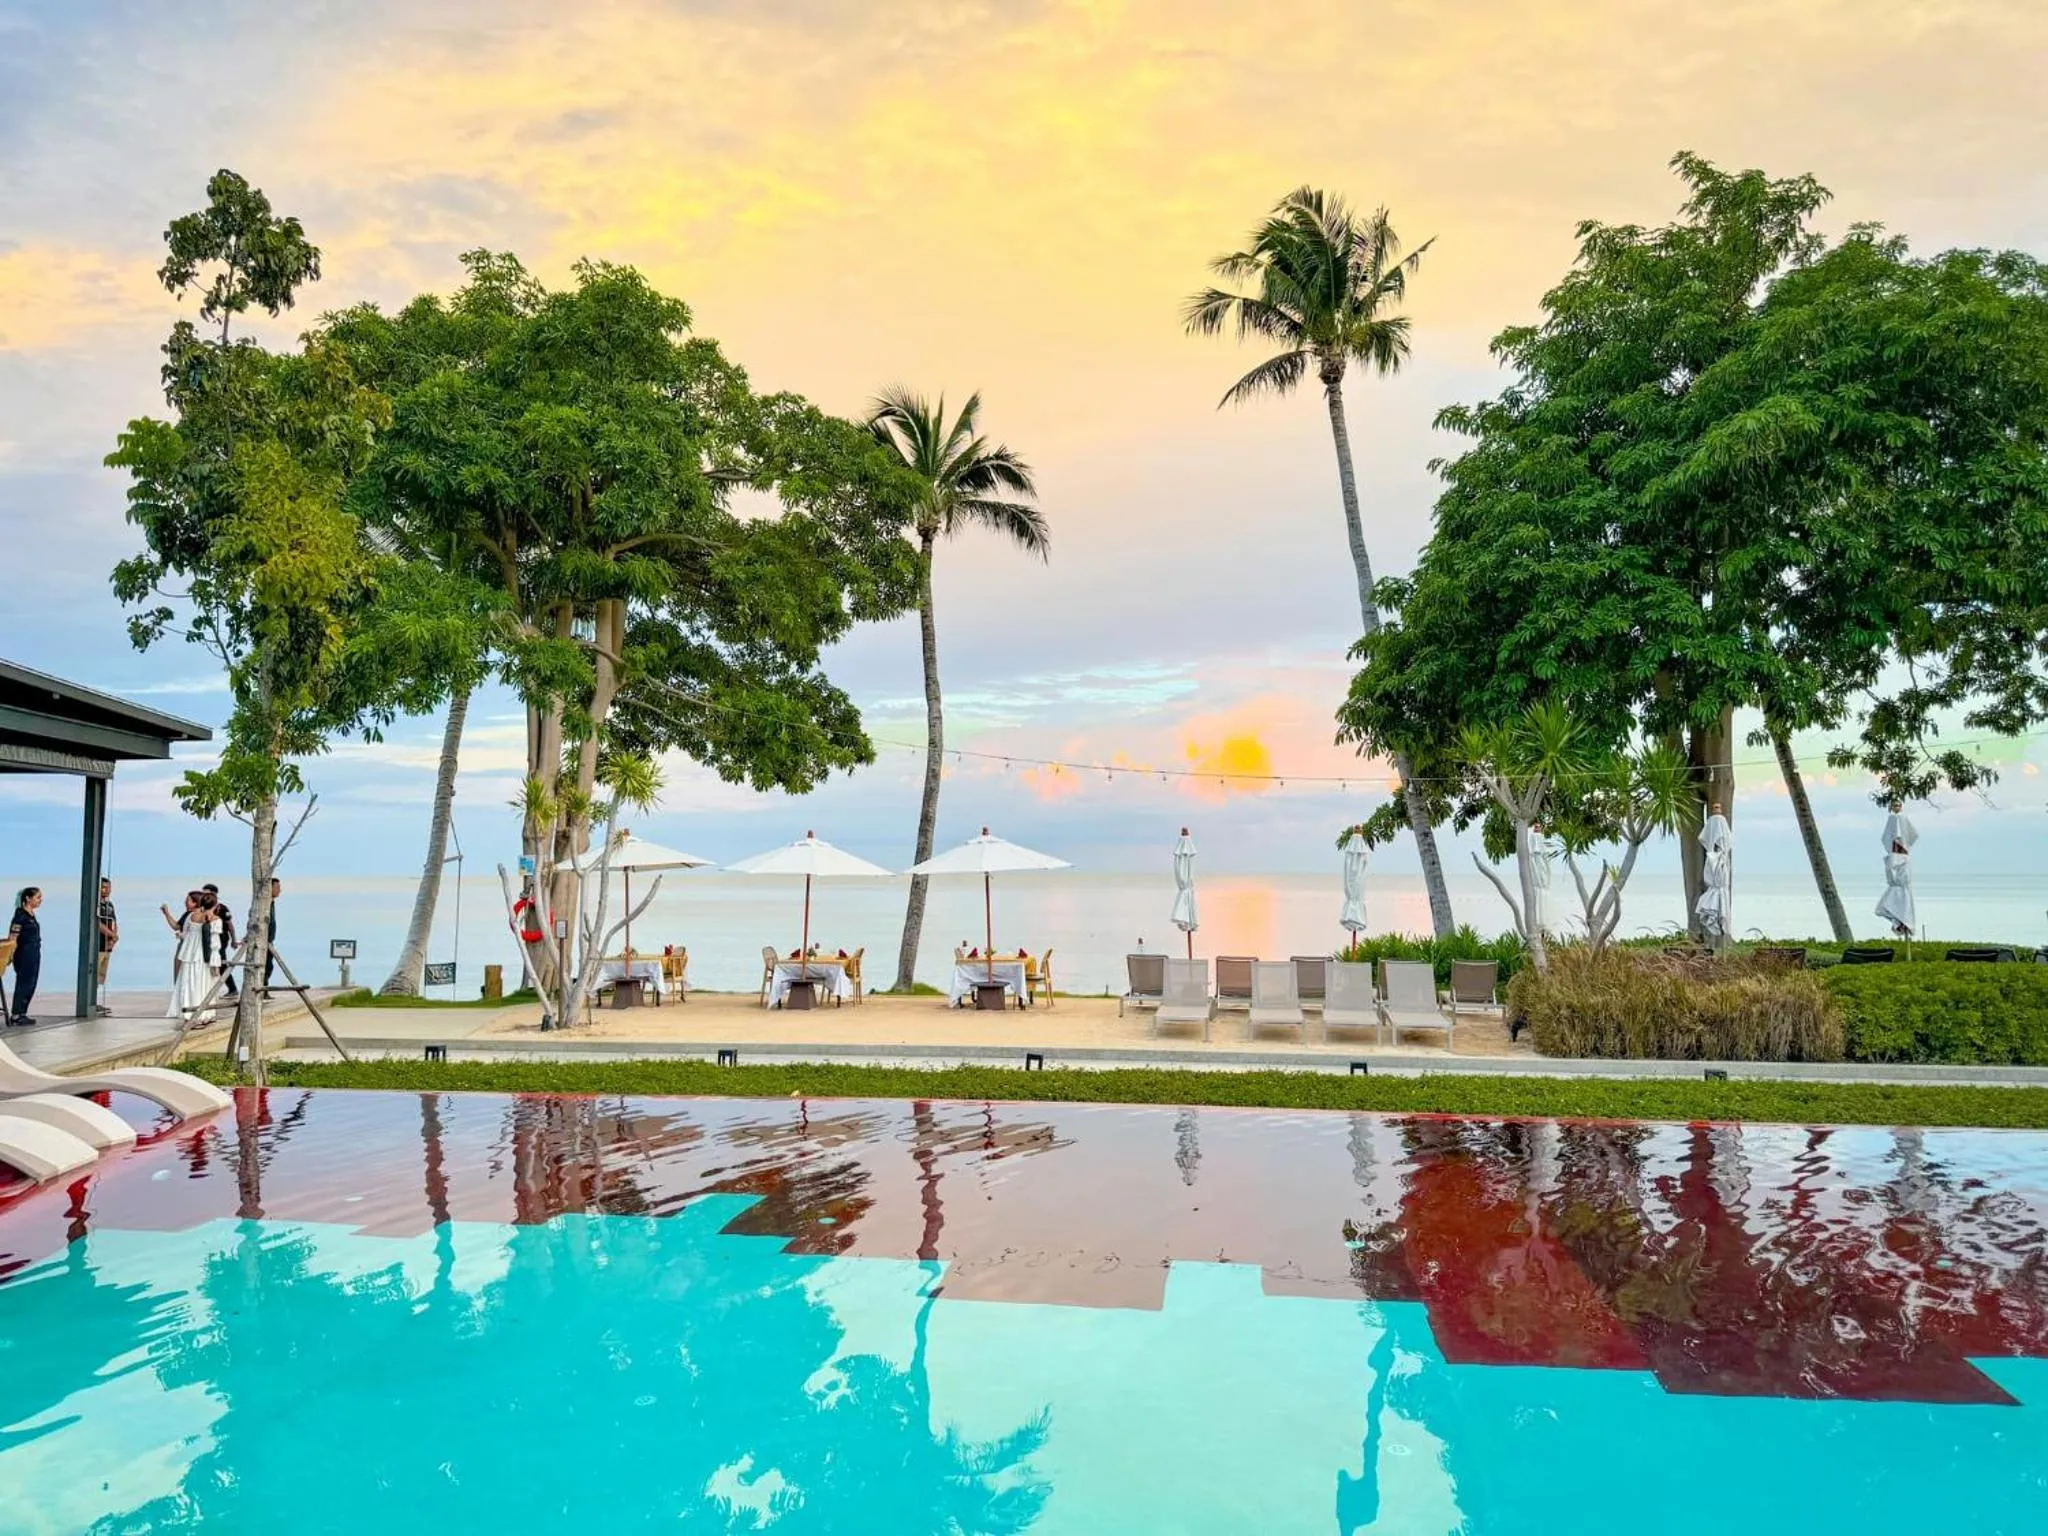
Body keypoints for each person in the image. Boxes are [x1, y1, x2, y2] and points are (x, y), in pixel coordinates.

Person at [165, 890, 220, 1026]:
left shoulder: (191, 916)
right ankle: (205, 1013)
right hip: (204, 956)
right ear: (215, 905)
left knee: (189, 983)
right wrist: (216, 963)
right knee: (204, 984)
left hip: (190, 954)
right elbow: (214, 944)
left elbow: (185, 934)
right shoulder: (216, 921)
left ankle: (188, 1013)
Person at [7, 886, 42, 1026]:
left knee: (31, 983)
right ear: (28, 898)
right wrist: (9, 955)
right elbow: (13, 936)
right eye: (38, 897)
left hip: (34, 953)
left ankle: (23, 1012)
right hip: (24, 954)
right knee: (24, 983)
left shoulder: (31, 915)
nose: (40, 900)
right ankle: (16, 1014)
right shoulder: (20, 916)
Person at [204, 883, 238, 998]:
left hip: (220, 940)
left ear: (214, 894)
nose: (204, 896)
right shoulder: (203, 908)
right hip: (207, 940)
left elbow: (230, 925)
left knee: (221, 963)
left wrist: (234, 939)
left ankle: (232, 988)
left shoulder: (222, 908)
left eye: (207, 894)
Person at [95, 877, 118, 1017]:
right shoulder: (96, 905)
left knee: (101, 975)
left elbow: (114, 921)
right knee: (95, 973)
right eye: (103, 887)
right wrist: (110, 934)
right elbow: (97, 923)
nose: (107, 890)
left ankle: (96, 1001)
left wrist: (114, 936)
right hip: (98, 944)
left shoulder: (110, 905)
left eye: (108, 887)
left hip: (107, 945)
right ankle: (90, 1001)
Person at [265, 876, 280, 992]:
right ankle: (263, 989)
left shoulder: (272, 903)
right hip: (263, 941)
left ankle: (264, 989)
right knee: (266, 966)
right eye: (277, 887)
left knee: (269, 966)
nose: (279, 890)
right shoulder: (265, 905)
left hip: (269, 941)